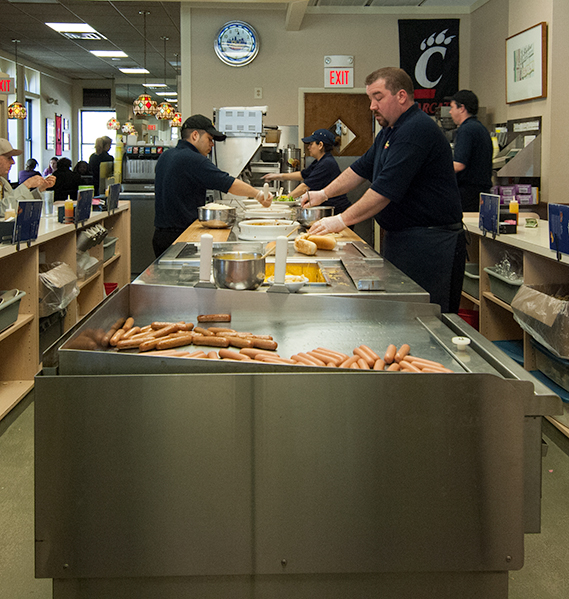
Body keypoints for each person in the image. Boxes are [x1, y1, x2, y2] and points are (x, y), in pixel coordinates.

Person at [303, 67, 466, 314]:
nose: (372, 106)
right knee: (401, 314)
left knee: (423, 317)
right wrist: (323, 194)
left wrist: (340, 220)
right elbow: (359, 169)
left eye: (377, 98)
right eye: (370, 99)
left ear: (401, 96)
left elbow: (383, 191)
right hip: (405, 239)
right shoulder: (390, 132)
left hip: (430, 244)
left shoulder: (416, 129)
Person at [153, 114, 273, 258]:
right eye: (209, 139)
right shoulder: (193, 159)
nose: (212, 144)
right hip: (181, 238)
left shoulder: (165, 155)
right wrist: (258, 195)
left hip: (160, 236)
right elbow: (227, 183)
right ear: (195, 135)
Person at [262, 129, 351, 214]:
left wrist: (282, 200)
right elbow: (302, 175)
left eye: (311, 144)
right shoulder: (320, 161)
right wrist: (277, 176)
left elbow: (304, 187)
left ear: (320, 145)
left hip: (336, 211)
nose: (308, 147)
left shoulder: (327, 163)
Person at [448, 90, 493, 212]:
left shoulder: (466, 130)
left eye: (452, 107)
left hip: (468, 194)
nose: (450, 112)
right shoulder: (481, 128)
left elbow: (459, 164)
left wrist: (436, 170)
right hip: (483, 193)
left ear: (462, 108)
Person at [0, 139, 55, 218]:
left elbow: (15, 203)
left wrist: (40, 189)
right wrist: (26, 185)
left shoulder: (3, 182)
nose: (13, 162)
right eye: (8, 158)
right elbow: (4, 210)